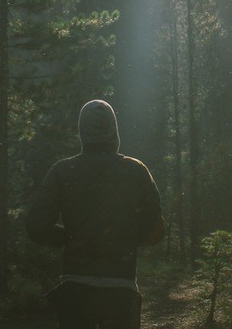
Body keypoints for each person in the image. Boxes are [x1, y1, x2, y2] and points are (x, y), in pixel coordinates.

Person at [27, 99, 165, 329]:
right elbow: (156, 232)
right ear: (115, 131)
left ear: (82, 132)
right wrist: (125, 239)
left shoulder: (62, 171)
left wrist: (69, 238)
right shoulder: (136, 171)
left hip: (75, 291)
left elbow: (36, 226)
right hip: (121, 290)